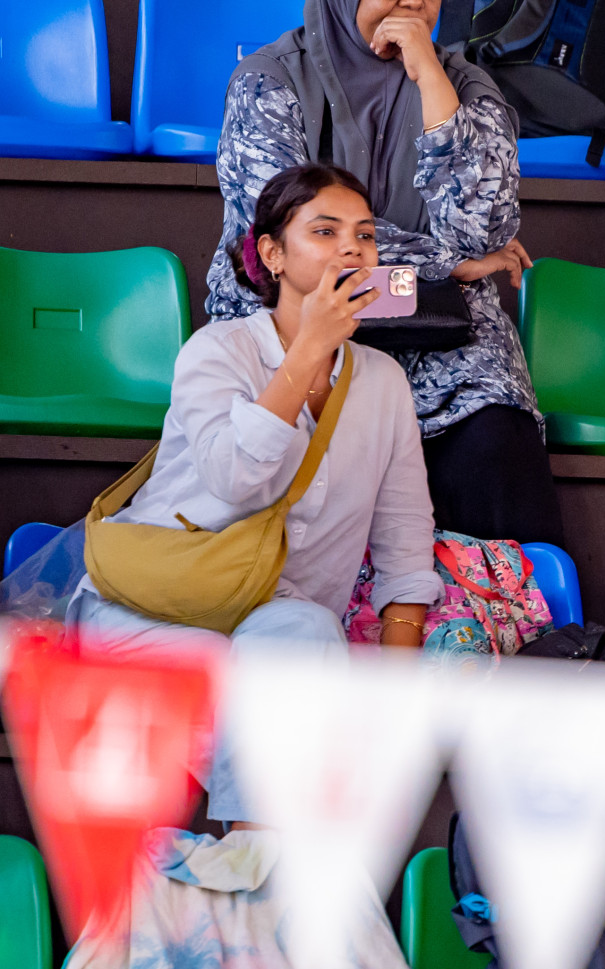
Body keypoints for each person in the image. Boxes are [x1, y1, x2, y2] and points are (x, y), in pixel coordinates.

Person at [71, 164, 444, 826]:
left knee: (306, 636)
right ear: (272, 254)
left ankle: (249, 860)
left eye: (364, 235)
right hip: (151, 609)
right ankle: (258, 871)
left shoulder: (383, 380)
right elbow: (235, 478)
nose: (352, 248)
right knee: (248, 677)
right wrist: (308, 353)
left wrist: (398, 669)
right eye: (324, 231)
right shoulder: (216, 351)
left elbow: (404, 528)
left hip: (273, 619)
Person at [209, 0, 565, 546]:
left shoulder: (470, 90)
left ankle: (507, 621)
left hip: (443, 336)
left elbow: (478, 233)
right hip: (299, 332)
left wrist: (433, 86)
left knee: (496, 435)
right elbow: (291, 236)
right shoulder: (268, 82)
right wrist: (450, 265)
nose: (413, 1)